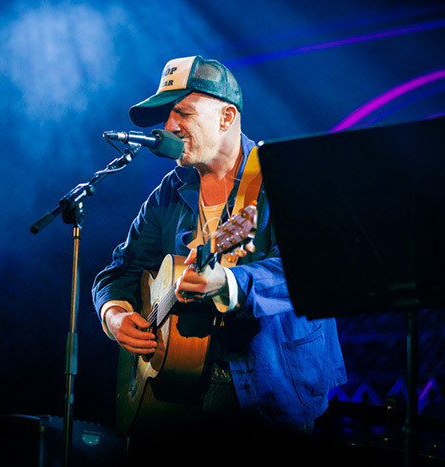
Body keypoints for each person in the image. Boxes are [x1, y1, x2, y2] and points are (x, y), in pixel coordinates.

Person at [92, 56, 346, 440]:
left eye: (183, 113)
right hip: (177, 392)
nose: (169, 126)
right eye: (166, 116)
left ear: (226, 118)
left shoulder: (284, 176)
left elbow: (313, 270)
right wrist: (114, 316)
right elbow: (119, 271)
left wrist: (229, 282)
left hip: (270, 390)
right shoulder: (168, 192)